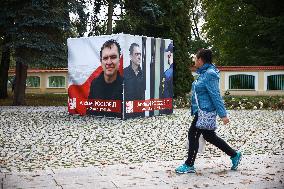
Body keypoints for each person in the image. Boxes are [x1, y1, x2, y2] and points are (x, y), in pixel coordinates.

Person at [175, 49, 242, 174]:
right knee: (209, 136)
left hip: (204, 112)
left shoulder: (210, 74)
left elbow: (215, 95)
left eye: (195, 59)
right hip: (201, 111)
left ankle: (189, 164)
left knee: (193, 134)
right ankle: (234, 155)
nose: (194, 61)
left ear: (200, 60)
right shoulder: (205, 73)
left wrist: (223, 115)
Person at [88, 39, 123, 118]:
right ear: (101, 61)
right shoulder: (94, 84)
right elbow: (90, 112)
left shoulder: (127, 85)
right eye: (105, 58)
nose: (109, 62)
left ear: (119, 60)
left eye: (113, 57)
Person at [123, 43, 145, 118]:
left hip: (141, 113)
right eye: (136, 54)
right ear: (131, 56)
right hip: (128, 114)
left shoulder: (143, 74)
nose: (139, 57)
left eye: (140, 54)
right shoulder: (124, 73)